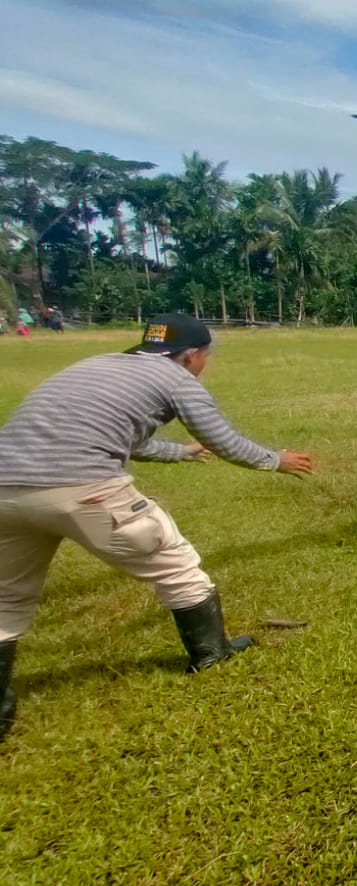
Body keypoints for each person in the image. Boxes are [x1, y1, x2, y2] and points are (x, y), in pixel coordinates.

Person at [0, 313, 314, 743]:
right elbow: (222, 440)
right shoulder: (176, 378)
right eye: (206, 357)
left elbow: (112, 437)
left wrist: (179, 453)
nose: (204, 365)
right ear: (191, 355)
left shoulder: (97, 365)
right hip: (84, 488)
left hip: (6, 492)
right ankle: (212, 655)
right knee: (174, 562)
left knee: (6, 597)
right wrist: (276, 460)